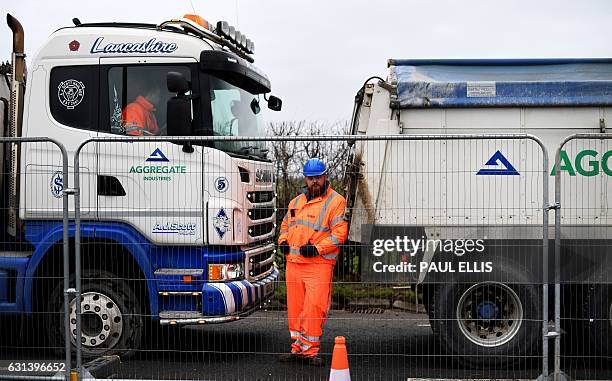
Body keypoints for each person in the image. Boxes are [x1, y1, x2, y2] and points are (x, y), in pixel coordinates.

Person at [278, 158, 348, 366]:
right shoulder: (296, 201)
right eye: (311, 178)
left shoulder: (336, 202)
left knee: (314, 308)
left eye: (318, 177)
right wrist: (282, 241)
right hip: (294, 263)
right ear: (305, 179)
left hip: (318, 264)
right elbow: (284, 225)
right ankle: (297, 349)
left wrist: (317, 248)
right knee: (295, 309)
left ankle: (310, 352)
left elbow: (339, 234)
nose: (314, 181)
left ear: (326, 176)